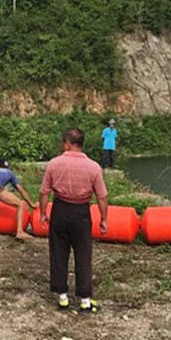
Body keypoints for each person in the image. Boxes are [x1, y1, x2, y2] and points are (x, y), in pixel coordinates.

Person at [39, 128, 108, 314]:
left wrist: (43, 213)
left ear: (67, 143)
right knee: (83, 255)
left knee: (58, 253)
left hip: (60, 209)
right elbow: (102, 197)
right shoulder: (94, 167)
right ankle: (85, 301)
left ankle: (62, 299)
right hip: (81, 212)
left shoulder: (54, 164)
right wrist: (103, 219)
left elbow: (44, 192)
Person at [0, 159, 36, 241]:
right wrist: (31, 204)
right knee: (19, 204)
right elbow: (20, 190)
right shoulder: (9, 172)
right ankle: (19, 232)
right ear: (7, 167)